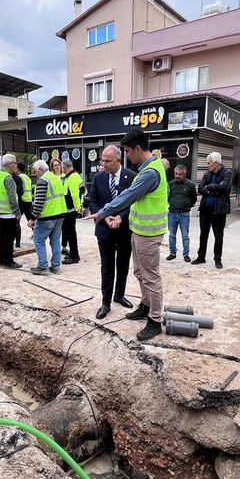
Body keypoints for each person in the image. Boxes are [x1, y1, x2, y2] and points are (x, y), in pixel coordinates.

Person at [87, 129, 167, 340]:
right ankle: (146, 306)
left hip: (149, 233)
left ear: (138, 149)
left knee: (151, 277)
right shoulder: (147, 168)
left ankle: (155, 320)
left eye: (128, 151)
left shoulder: (149, 173)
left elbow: (128, 196)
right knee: (140, 273)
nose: (127, 155)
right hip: (139, 231)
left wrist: (103, 212)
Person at [85, 145, 136, 319]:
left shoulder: (132, 177)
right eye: (102, 161)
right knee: (107, 267)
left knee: (123, 265)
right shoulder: (98, 178)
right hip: (104, 230)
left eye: (107, 161)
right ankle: (105, 302)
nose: (104, 164)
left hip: (124, 230)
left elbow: (134, 202)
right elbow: (93, 202)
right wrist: (104, 216)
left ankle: (119, 295)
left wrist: (121, 217)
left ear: (118, 160)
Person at [28, 160, 67, 275]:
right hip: (60, 214)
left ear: (40, 170)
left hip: (47, 216)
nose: (36, 174)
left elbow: (39, 202)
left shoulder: (43, 180)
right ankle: (56, 266)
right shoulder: (55, 178)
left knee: (38, 240)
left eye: (35, 171)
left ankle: (42, 266)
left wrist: (32, 218)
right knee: (55, 240)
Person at [193, 152, 231, 269]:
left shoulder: (226, 173)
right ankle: (201, 257)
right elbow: (200, 188)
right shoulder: (207, 174)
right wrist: (213, 190)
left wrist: (209, 187)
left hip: (218, 210)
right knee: (203, 235)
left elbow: (223, 187)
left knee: (218, 236)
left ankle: (217, 259)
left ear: (216, 163)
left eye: (209, 163)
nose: (207, 165)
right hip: (205, 209)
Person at [0, 154, 22, 269]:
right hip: (9, 213)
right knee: (9, 238)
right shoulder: (8, 178)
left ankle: (1, 260)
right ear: (9, 164)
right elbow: (12, 198)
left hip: (0, 212)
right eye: (15, 163)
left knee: (2, 237)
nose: (16, 165)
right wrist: (17, 212)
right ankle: (8, 261)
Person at [166, 164, 197, 262]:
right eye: (176, 174)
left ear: (184, 174)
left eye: (180, 174)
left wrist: (186, 206)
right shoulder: (170, 184)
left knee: (185, 236)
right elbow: (167, 197)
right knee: (172, 235)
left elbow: (194, 199)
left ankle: (186, 254)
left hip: (184, 215)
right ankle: (172, 253)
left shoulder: (190, 185)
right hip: (172, 214)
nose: (177, 176)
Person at [62, 160, 85, 264]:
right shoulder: (74, 176)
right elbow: (82, 192)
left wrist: (77, 208)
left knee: (71, 234)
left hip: (70, 211)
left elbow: (75, 195)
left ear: (65, 167)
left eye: (62, 167)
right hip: (69, 210)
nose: (61, 169)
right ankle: (72, 254)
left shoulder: (72, 177)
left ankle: (74, 256)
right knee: (70, 233)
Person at [14, 161, 33, 249]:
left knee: (16, 222)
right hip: (29, 201)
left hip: (22, 201)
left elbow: (19, 190)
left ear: (18, 168)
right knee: (31, 221)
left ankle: (17, 244)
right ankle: (37, 237)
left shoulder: (19, 177)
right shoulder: (27, 178)